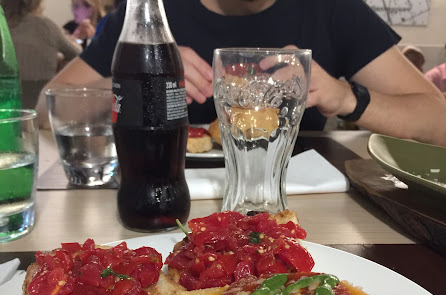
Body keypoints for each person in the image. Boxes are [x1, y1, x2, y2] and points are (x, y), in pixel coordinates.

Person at [36, 0, 446, 146]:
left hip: (301, 207)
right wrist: (137, 79)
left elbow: (437, 121)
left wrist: (345, 97)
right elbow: (45, 110)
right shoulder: (147, 13)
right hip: (162, 198)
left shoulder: (334, 9)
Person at [1, 0, 81, 108]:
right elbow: (79, 55)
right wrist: (76, 42)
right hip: (42, 106)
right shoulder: (46, 26)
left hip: (6, 106)